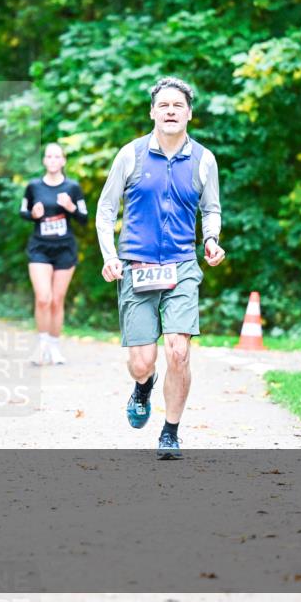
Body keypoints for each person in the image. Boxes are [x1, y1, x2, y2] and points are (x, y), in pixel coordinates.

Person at [96, 77, 225, 459]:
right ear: (152, 112)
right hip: (136, 266)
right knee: (141, 362)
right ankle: (143, 386)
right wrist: (109, 255)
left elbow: (211, 209)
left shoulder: (204, 159)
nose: (170, 111)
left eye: (178, 105)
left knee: (178, 352)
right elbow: (106, 210)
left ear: (189, 114)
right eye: (164, 105)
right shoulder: (130, 155)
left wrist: (211, 240)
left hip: (182, 265)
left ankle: (170, 432)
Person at [20, 142, 88, 365]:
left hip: (64, 249)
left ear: (63, 160)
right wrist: (33, 214)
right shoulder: (33, 186)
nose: (52, 160)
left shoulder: (72, 187)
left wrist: (71, 208)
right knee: (43, 298)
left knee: (57, 300)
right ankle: (41, 346)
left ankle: (55, 347)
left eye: (57, 156)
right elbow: (23, 212)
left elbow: (84, 219)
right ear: (44, 160)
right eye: (49, 156)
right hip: (40, 247)